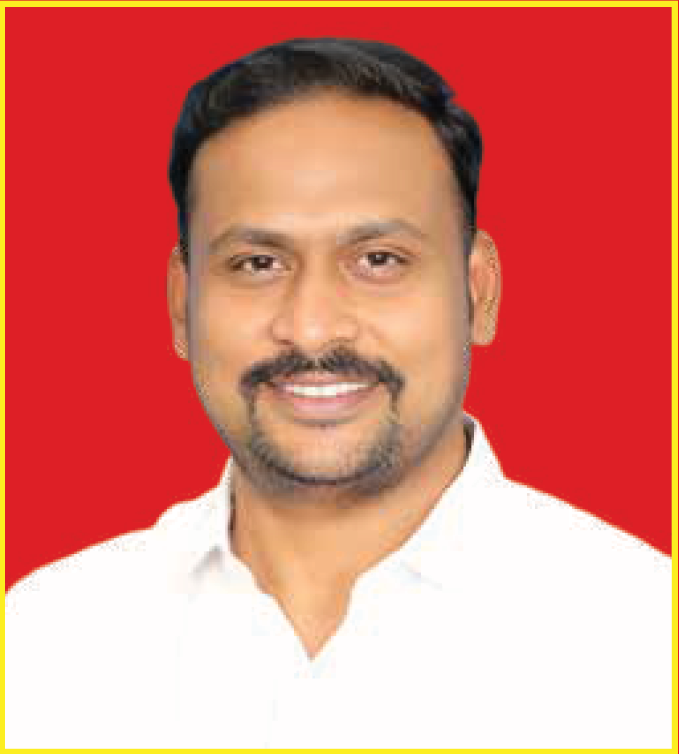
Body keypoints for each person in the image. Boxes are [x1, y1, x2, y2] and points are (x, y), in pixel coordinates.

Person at [5, 37, 670, 749]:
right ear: (180, 304)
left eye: (378, 260)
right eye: (257, 263)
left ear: (478, 293)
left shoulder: (646, 639)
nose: (312, 326)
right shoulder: (45, 638)